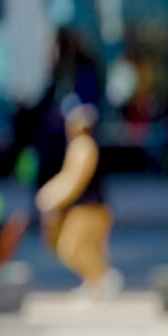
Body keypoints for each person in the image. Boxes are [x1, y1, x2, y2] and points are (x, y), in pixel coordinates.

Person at [35, 103, 120, 297]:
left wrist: (51, 197)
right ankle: (95, 284)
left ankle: (103, 278)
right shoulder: (83, 146)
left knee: (71, 248)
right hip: (92, 208)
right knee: (88, 249)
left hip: (88, 208)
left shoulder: (82, 146)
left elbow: (73, 180)